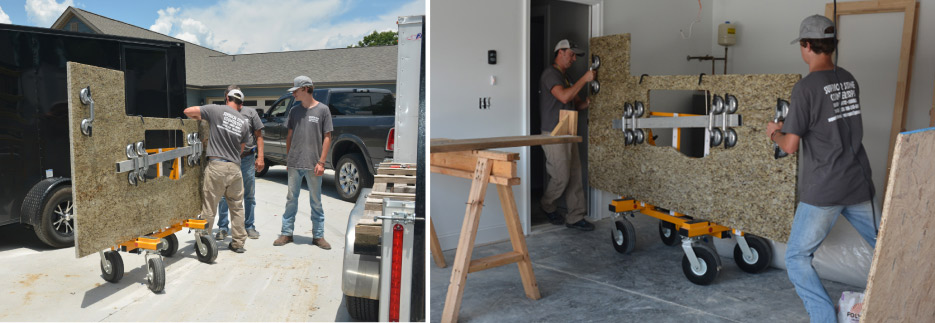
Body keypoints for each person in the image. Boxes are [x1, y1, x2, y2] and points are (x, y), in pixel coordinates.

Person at [767, 15, 879, 322]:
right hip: (858, 184)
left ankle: (823, 318)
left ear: (805, 46)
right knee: (887, 250)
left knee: (796, 257)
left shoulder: (805, 88)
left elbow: (789, 146)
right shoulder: (848, 78)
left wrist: (774, 132)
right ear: (833, 46)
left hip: (825, 189)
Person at [183, 89, 252, 254]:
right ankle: (238, 243)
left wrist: (203, 118)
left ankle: (204, 242)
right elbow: (241, 149)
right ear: (241, 104)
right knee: (236, 207)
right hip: (235, 168)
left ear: (227, 98)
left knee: (209, 206)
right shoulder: (244, 122)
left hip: (217, 166)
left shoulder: (216, 110)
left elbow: (188, 111)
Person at [538, 39, 596, 231]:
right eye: (571, 54)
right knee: (561, 176)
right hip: (553, 132)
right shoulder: (550, 74)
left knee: (575, 175)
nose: (573, 59)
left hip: (568, 128)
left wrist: (590, 101)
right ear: (560, 52)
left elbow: (576, 104)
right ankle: (547, 205)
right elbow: (563, 96)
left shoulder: (567, 76)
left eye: (575, 56)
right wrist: (585, 79)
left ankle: (575, 216)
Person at [273, 76, 334, 250]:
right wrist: (289, 158)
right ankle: (286, 233)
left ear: (306, 89)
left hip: (314, 164)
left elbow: (328, 137)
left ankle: (318, 236)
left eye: (296, 90)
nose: (293, 93)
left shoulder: (323, 110)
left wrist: (322, 162)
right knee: (291, 199)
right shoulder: (294, 111)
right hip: (294, 163)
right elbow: (289, 136)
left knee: (316, 201)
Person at [215, 85, 265, 241]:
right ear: (226, 97)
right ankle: (223, 228)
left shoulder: (250, 113)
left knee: (249, 195)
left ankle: (249, 226)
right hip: (226, 159)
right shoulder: (221, 112)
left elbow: (259, 136)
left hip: (247, 159)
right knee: (223, 195)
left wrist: (261, 157)